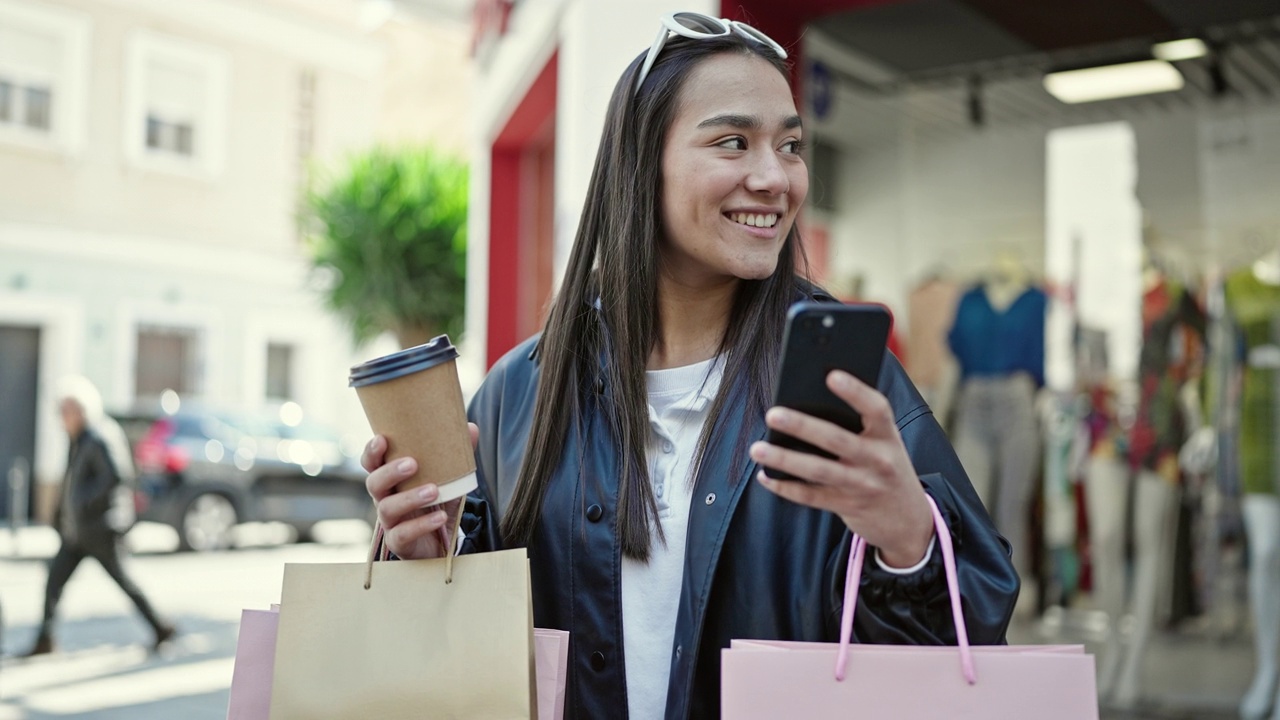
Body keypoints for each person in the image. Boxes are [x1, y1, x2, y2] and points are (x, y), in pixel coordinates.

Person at [364, 12, 1017, 719]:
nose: (776, 178)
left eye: (791, 145)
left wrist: (908, 539)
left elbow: (969, 636)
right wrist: (428, 560)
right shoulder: (519, 394)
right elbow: (459, 669)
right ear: (642, 165)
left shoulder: (846, 385)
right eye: (733, 142)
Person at [23, 376, 175, 656]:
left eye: (65, 412)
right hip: (78, 532)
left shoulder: (99, 436)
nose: (61, 419)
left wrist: (81, 503)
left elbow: (117, 475)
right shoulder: (80, 439)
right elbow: (71, 481)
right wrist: (61, 515)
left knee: (124, 581)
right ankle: (45, 639)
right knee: (54, 581)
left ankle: (161, 627)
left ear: (81, 411)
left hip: (99, 529)